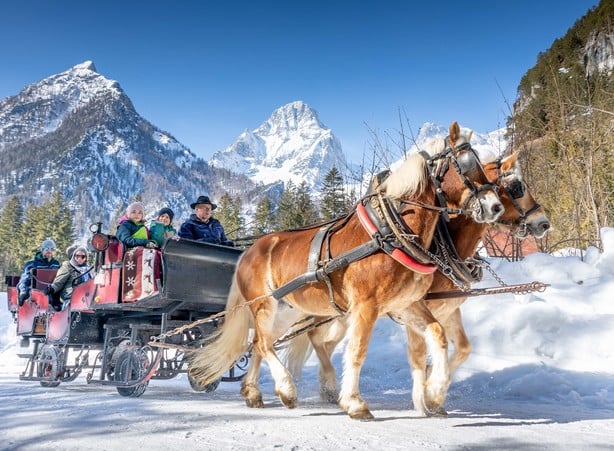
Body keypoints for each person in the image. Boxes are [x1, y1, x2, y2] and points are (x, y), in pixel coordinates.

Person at [45, 245, 92, 312]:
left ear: (86, 258)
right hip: (71, 296)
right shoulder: (67, 267)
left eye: (83, 257)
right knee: (76, 306)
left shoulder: (88, 269)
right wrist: (51, 288)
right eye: (77, 256)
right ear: (73, 256)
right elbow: (59, 282)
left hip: (87, 297)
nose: (80, 258)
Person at [17, 238, 61, 306]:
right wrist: (23, 292)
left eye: (52, 249)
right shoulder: (32, 264)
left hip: (53, 293)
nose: (49, 251)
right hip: (36, 294)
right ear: (42, 250)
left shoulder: (56, 264)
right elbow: (24, 280)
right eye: (46, 249)